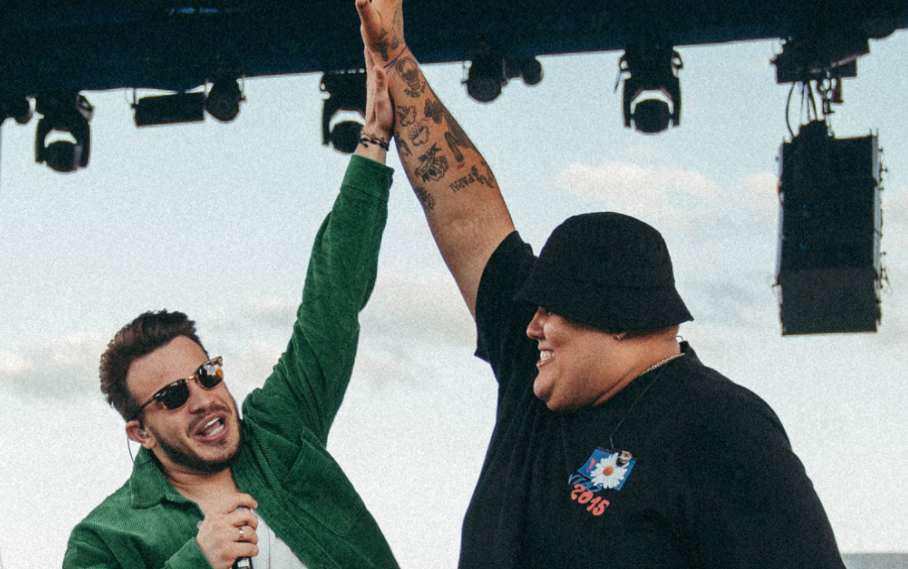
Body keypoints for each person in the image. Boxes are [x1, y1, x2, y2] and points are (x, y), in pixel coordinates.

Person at [354, 1, 847, 567]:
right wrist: (394, 54)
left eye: (551, 309)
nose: (532, 325)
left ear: (618, 319)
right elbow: (465, 212)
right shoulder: (535, 372)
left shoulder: (722, 430)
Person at [62, 49, 400, 569]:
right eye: (173, 396)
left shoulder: (280, 429)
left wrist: (374, 139)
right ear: (140, 432)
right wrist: (197, 560)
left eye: (206, 375)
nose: (202, 399)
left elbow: (331, 302)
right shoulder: (104, 538)